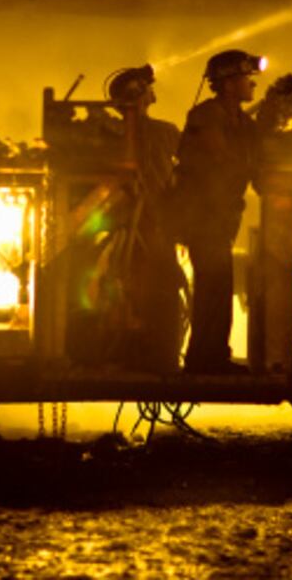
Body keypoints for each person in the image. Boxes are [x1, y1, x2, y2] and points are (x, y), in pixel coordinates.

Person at [174, 49, 265, 374]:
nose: (251, 85)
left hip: (221, 217)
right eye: (245, 79)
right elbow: (222, 157)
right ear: (227, 84)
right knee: (213, 287)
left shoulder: (242, 121)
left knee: (220, 287)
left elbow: (254, 159)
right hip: (202, 216)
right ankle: (204, 359)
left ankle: (210, 357)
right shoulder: (205, 116)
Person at [106, 64, 186, 371]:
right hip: (155, 225)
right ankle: (161, 356)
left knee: (127, 286)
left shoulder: (107, 134)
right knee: (164, 285)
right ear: (141, 96)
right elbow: (190, 165)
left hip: (118, 227)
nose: (153, 93)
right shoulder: (165, 132)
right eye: (148, 88)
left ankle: (122, 352)